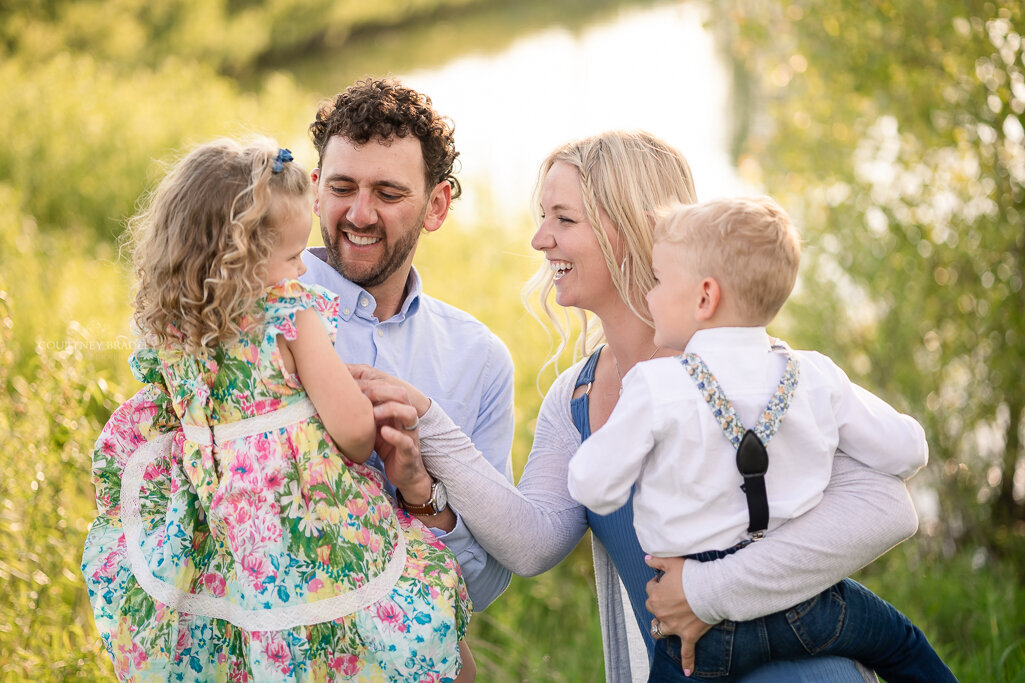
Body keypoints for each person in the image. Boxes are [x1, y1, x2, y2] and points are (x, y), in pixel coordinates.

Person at [352, 130, 922, 682]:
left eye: (564, 219)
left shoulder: (747, 370)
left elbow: (886, 506)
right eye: (544, 217)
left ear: (633, 231)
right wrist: (430, 423)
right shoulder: (574, 396)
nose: (540, 239)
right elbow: (533, 544)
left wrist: (708, 592)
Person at [83, 76, 515, 625]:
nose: (359, 214)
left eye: (388, 193)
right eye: (341, 188)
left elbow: (485, 581)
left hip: (393, 638)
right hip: (252, 627)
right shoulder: (223, 307)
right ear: (313, 189)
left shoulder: (480, 361)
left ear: (436, 205)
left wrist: (418, 491)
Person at [567, 196, 955, 681]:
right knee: (904, 646)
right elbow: (909, 450)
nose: (648, 295)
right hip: (807, 605)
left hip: (698, 623)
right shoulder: (814, 375)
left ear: (705, 297)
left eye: (659, 280)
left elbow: (592, 487)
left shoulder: (657, 387)